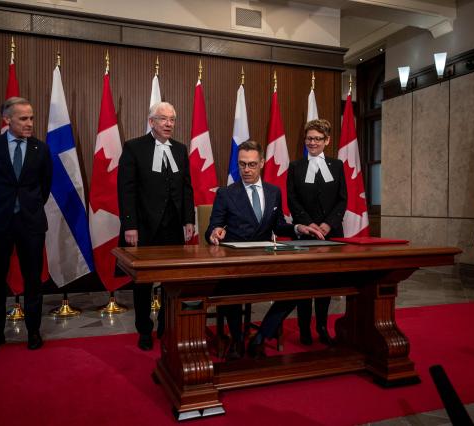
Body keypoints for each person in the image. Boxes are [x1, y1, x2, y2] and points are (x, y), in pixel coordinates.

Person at [206, 141, 322, 360]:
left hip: (266, 263)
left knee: (298, 285)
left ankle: (261, 336)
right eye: (242, 165)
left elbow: (277, 225)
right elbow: (213, 226)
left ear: (262, 163)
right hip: (235, 267)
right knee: (231, 289)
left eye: (251, 164)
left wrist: (298, 227)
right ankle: (237, 342)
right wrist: (215, 233)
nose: (246, 170)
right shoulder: (226, 193)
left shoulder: (273, 192)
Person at [0, 97, 52, 353]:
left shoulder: (41, 149)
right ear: (7, 120)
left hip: (30, 222)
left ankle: (33, 332)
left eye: (31, 118)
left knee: (33, 279)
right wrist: (0, 206)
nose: (30, 123)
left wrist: (28, 206)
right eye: (24, 118)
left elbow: (45, 186)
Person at [118, 101, 195, 351]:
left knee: (170, 281)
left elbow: (186, 188)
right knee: (143, 283)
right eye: (163, 119)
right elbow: (126, 190)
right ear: (152, 122)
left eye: (172, 119)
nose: (169, 124)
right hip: (143, 228)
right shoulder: (134, 148)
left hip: (173, 228)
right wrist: (130, 225)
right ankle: (144, 328)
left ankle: (165, 324)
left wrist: (189, 220)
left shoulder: (181, 150)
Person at [288, 118, 347, 345]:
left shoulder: (337, 165)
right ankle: (304, 329)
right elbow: (292, 201)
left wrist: (328, 224)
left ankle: (322, 327)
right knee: (305, 282)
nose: (312, 142)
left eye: (317, 139)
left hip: (331, 233)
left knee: (326, 282)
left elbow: (342, 200)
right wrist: (309, 224)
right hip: (305, 233)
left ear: (327, 141)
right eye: (309, 138)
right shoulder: (296, 167)